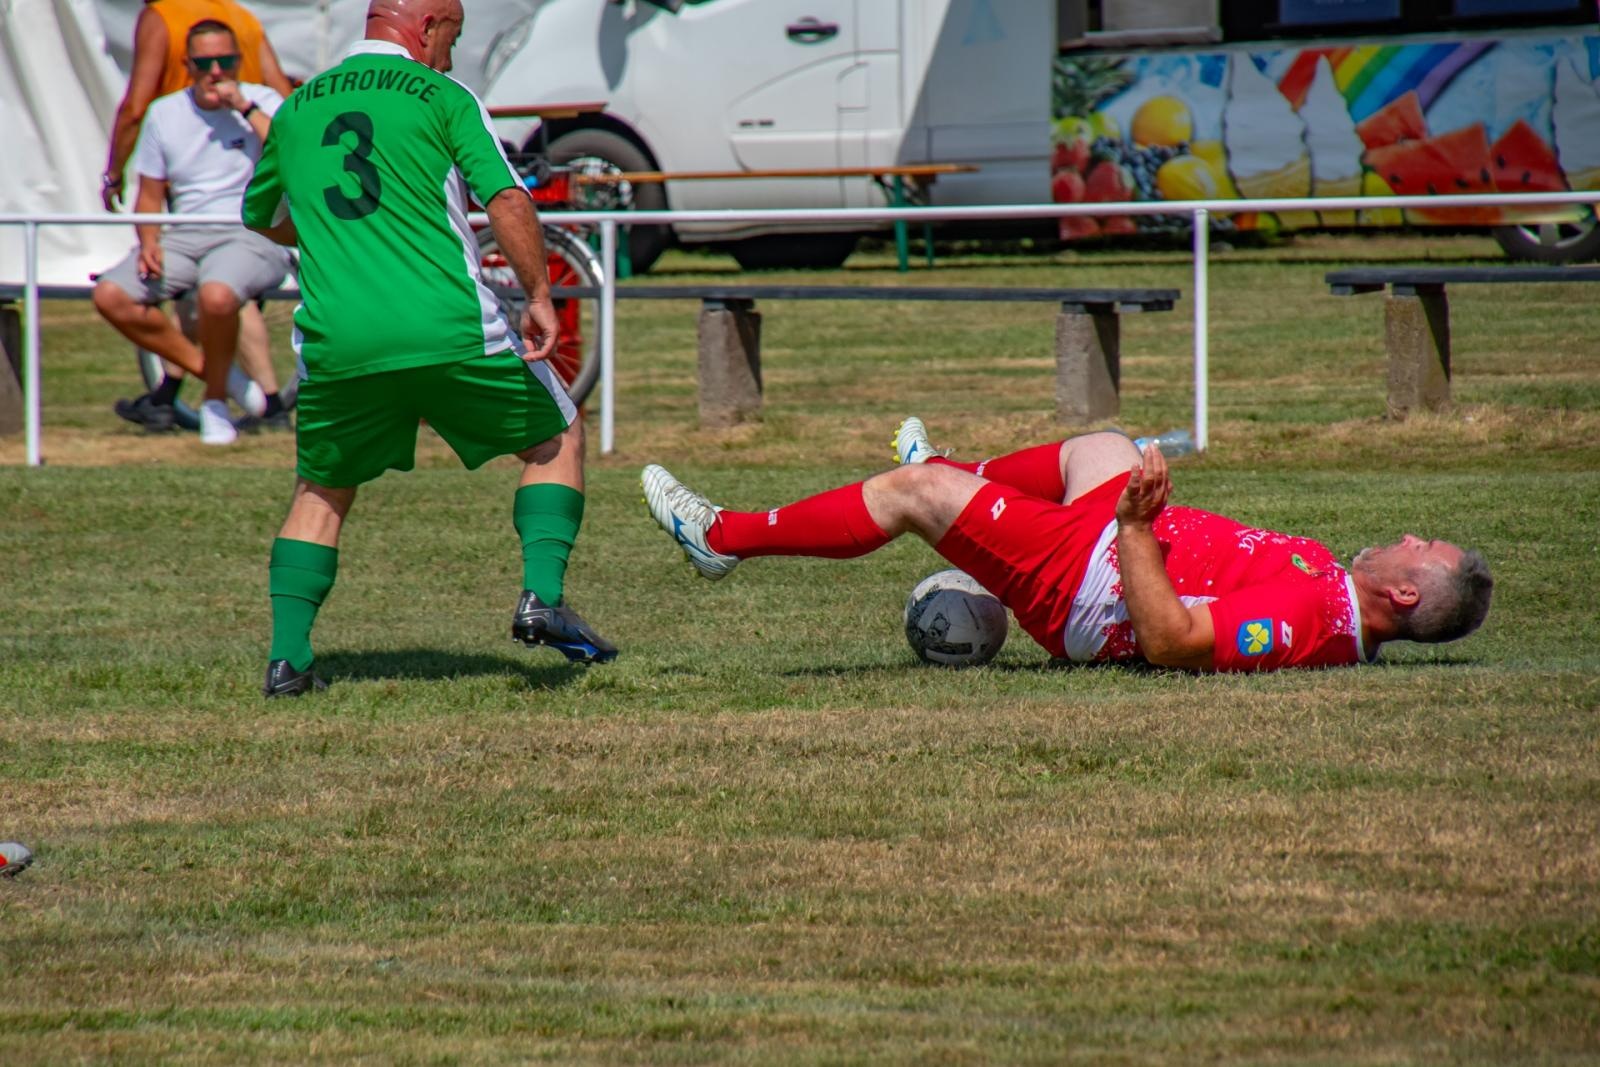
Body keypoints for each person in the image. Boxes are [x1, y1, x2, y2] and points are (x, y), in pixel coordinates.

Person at [242, 0, 615, 697]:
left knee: (322, 489)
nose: (451, 54)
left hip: (338, 340)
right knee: (558, 434)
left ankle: (287, 661)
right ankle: (541, 596)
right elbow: (504, 198)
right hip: (448, 327)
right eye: (453, 38)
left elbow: (262, 216)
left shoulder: (294, 110)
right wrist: (539, 295)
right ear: (427, 26)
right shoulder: (442, 95)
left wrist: (338, 239)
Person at [642, 418, 1494, 672]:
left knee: (915, 497)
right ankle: (957, 473)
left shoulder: (1314, 616)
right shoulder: (1337, 593)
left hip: (1091, 585)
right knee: (1104, 446)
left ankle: (721, 538)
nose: (1409, 533)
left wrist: (1130, 526)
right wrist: (1139, 510)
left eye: (1424, 546)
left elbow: (1170, 641)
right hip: (1113, 541)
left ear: (1408, 595)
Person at [93, 18, 295, 445]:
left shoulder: (263, 101)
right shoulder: (164, 113)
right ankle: (225, 378)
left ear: (239, 61)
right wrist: (147, 242)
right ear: (188, 64)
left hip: (252, 230)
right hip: (184, 234)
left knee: (217, 293)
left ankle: (216, 401)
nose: (216, 72)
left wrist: (243, 108)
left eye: (226, 61)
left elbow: (293, 154)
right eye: (206, 63)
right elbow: (149, 196)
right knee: (111, 295)